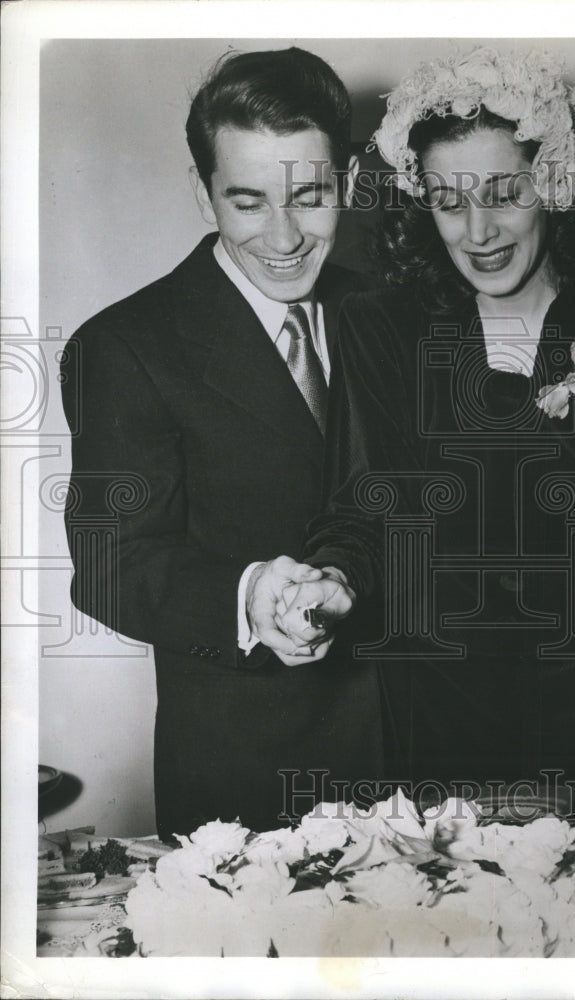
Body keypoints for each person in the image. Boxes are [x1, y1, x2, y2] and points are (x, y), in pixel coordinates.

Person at [297, 47, 575, 826]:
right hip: (443, 727)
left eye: (504, 193)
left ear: (555, 184)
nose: (478, 231)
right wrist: (323, 580)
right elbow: (359, 503)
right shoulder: (378, 331)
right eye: (448, 201)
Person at [60, 48, 383, 841]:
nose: (283, 235)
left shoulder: (392, 314)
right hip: (249, 784)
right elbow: (110, 563)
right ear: (202, 195)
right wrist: (246, 597)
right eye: (247, 201)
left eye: (310, 196)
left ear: (346, 180)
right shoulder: (125, 346)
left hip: (422, 759)